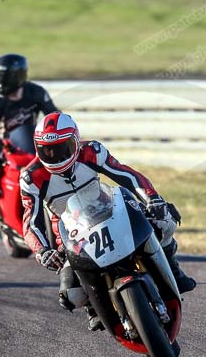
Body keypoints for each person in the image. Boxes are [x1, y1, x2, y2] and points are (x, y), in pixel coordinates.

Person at [20, 112, 196, 331]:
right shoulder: (31, 177)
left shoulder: (92, 152)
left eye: (61, 148)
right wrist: (42, 251)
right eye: (47, 150)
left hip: (110, 212)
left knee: (164, 222)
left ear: (75, 142)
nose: (54, 155)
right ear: (37, 148)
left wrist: (153, 199)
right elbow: (30, 223)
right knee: (71, 296)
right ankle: (93, 307)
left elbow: (128, 176)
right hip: (72, 237)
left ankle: (172, 269)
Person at [0, 53, 58, 223]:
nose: (1, 81)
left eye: (5, 77)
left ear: (17, 77)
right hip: (3, 144)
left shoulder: (36, 92)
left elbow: (55, 116)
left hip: (32, 141)